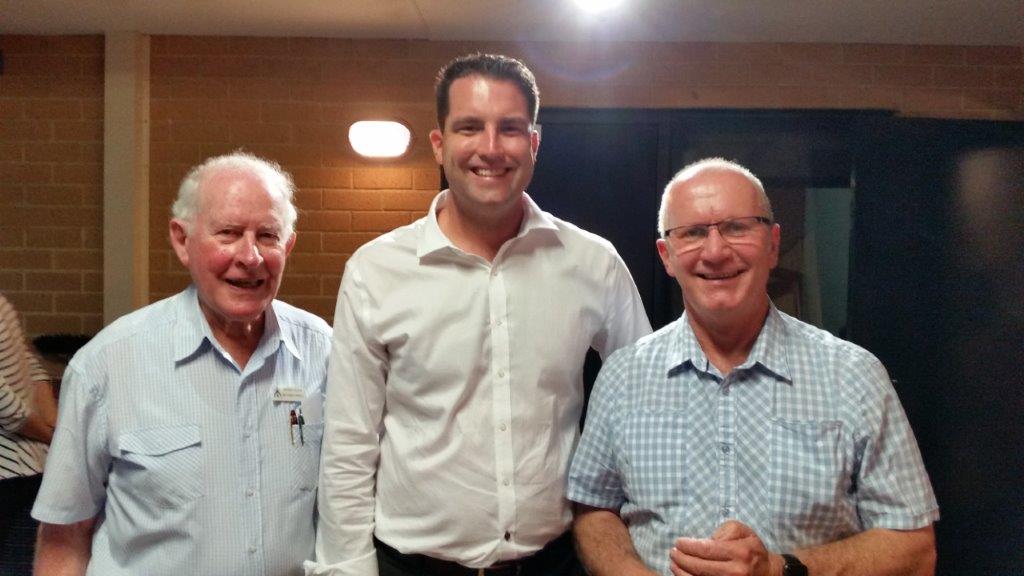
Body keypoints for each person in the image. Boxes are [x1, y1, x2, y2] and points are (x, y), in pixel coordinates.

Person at [309, 53, 652, 576]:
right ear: (440, 144)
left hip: (554, 564)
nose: (491, 148)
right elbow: (350, 444)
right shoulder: (375, 272)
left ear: (533, 143)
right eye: (470, 127)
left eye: (510, 129)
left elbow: (646, 406)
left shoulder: (593, 264)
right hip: (413, 567)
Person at [568, 158, 940, 576]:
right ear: (667, 256)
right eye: (692, 233)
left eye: (737, 227)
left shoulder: (853, 376)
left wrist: (781, 569)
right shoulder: (623, 377)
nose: (715, 251)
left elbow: (915, 549)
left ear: (773, 244)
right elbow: (593, 509)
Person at [31, 152, 332, 576]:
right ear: (181, 240)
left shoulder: (325, 354)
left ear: (289, 245)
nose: (250, 256)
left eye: (267, 235)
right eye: (228, 233)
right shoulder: (107, 366)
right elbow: (64, 537)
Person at [0, 292, 57, 575]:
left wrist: (50, 432)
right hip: (32, 463)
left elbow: (6, 406)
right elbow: (29, 365)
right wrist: (52, 432)